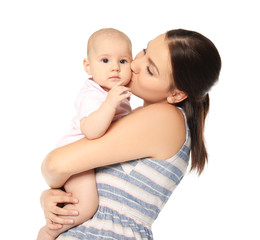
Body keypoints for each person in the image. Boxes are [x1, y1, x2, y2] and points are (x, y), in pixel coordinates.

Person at [38, 29, 221, 240]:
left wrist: (54, 177)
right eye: (144, 51)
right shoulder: (132, 119)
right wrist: (53, 198)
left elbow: (54, 164)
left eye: (150, 69)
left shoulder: (164, 119)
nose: (133, 64)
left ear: (176, 94)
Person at [37, 28, 133, 240]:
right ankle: (50, 231)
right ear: (88, 67)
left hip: (90, 157)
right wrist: (109, 104)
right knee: (87, 206)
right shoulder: (93, 94)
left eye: (124, 61)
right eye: (105, 60)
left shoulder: (115, 91)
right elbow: (91, 131)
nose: (115, 68)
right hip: (77, 159)